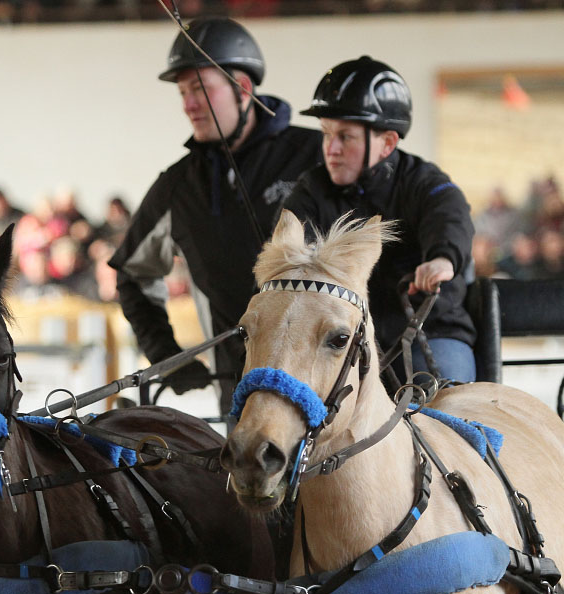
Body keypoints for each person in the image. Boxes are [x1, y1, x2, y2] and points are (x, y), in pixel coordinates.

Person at [109, 17, 322, 415]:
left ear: (243, 88)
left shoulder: (318, 157)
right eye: (183, 93)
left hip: (336, 384)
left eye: (200, 90)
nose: (188, 105)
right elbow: (132, 276)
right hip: (243, 396)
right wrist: (166, 355)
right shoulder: (177, 187)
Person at [282, 56, 477, 384]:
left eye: (345, 136)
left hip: (430, 333)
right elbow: (289, 248)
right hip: (341, 341)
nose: (331, 148)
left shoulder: (423, 182)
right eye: (327, 134)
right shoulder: (311, 189)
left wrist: (442, 259)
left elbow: (449, 216)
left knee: (453, 415)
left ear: (387, 142)